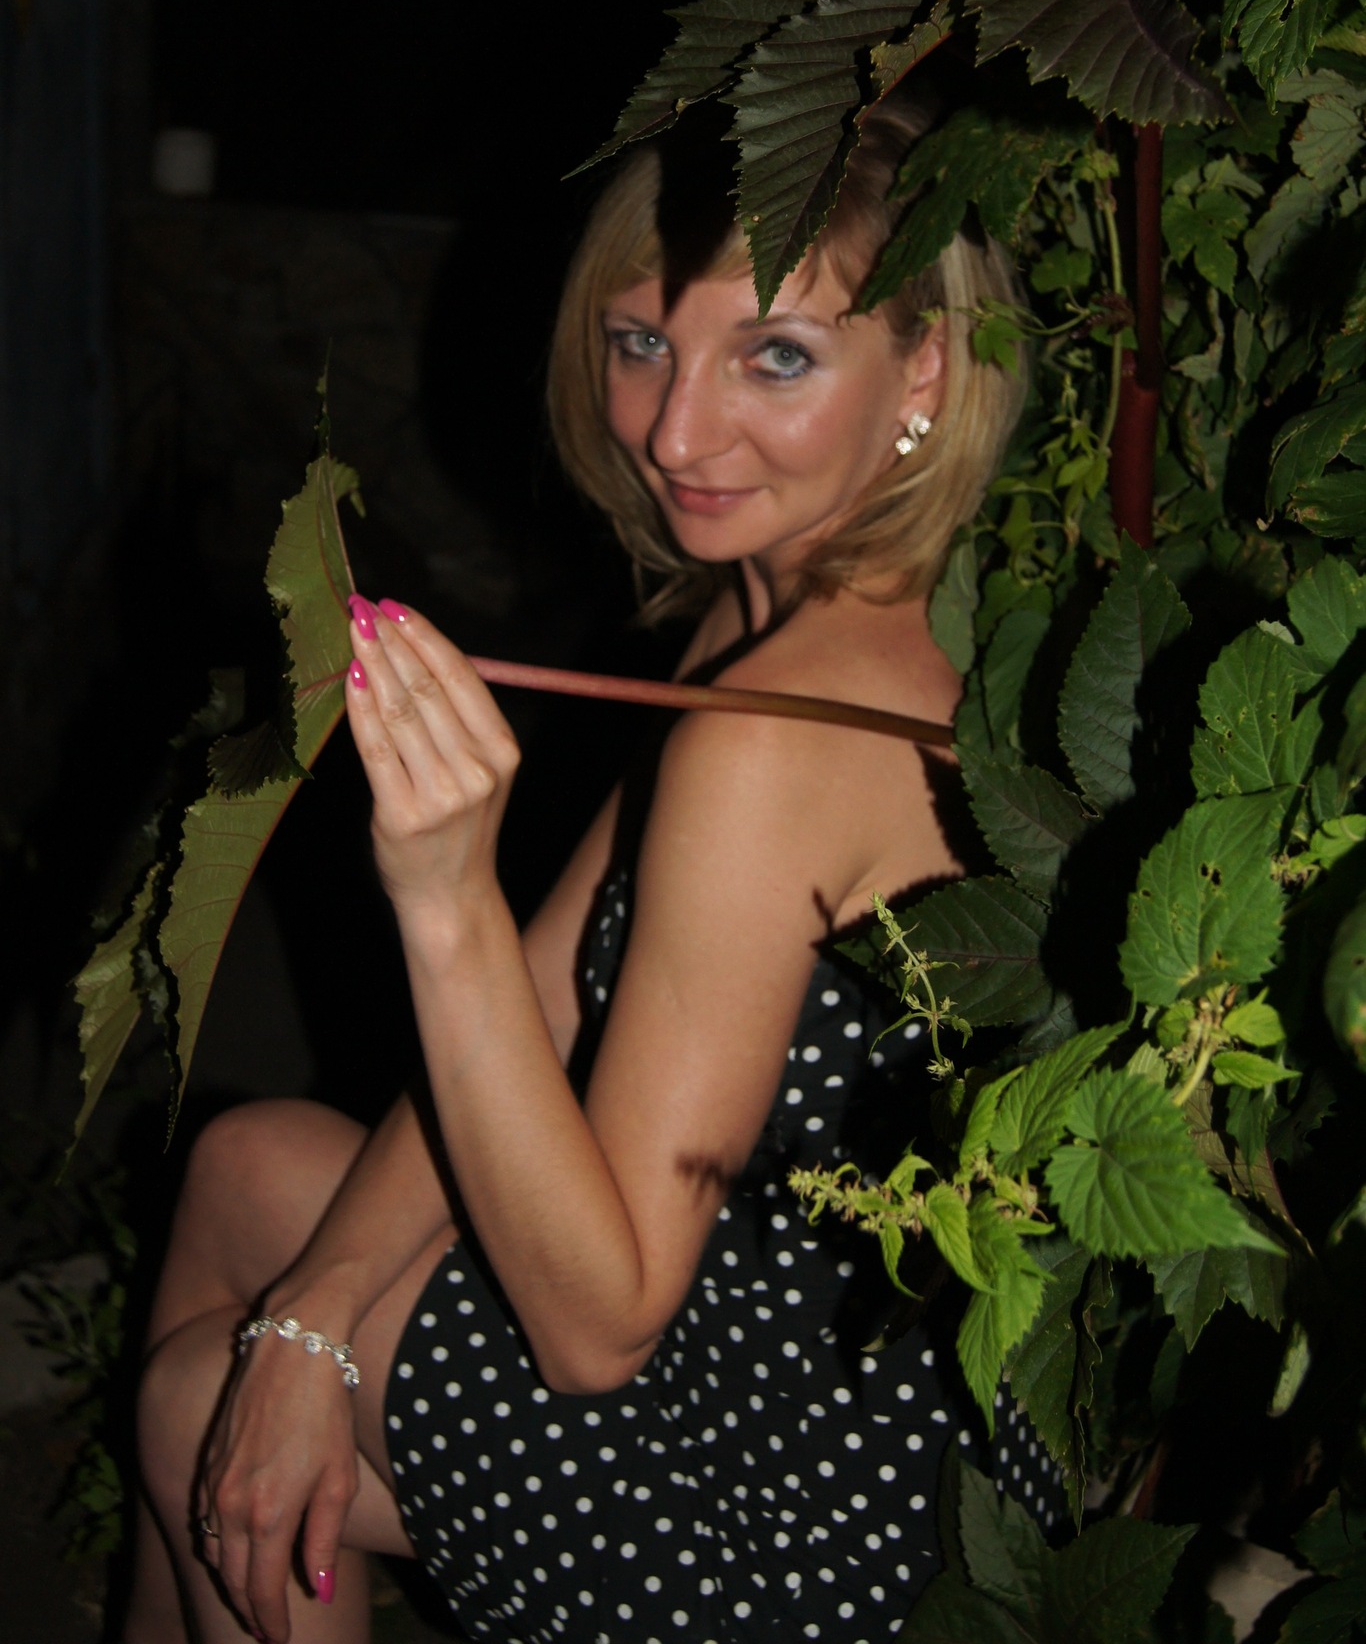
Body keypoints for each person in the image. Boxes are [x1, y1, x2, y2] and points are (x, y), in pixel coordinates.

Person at [126, 96, 1040, 1644]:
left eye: (774, 357)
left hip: (816, 1518)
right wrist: (316, 1319)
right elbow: (553, 993)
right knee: (246, 1172)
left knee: (192, 1407)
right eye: (639, 344)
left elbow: (595, 1330)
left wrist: (442, 899)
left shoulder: (774, 736)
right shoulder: (780, 609)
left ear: (926, 371)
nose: (676, 433)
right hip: (822, 1355)